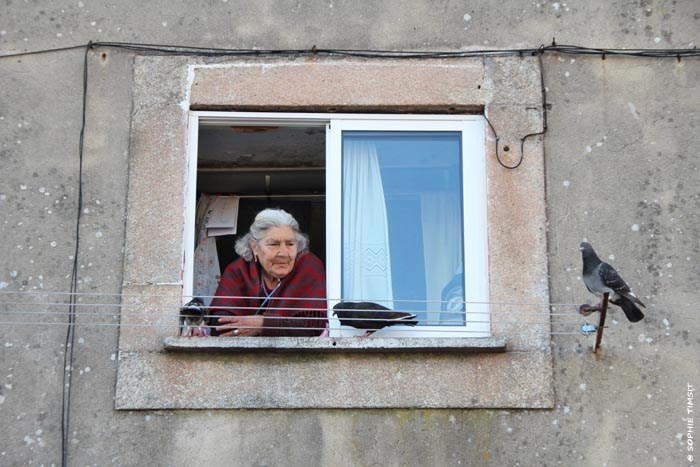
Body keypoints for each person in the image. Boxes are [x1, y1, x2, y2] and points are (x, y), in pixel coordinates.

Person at [208, 208, 327, 337]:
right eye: (273, 244)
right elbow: (219, 324)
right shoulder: (239, 270)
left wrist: (263, 325)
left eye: (290, 244)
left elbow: (314, 325)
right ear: (254, 247)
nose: (283, 253)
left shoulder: (309, 267)